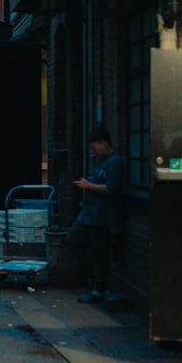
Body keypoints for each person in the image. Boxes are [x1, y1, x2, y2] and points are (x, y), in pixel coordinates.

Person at [67, 127, 125, 305]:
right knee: (73, 240)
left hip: (102, 217)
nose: (93, 151)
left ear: (104, 143)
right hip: (90, 214)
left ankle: (99, 290)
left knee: (100, 254)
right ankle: (92, 283)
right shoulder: (101, 161)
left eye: (94, 147)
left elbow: (111, 188)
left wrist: (88, 186)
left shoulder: (115, 162)